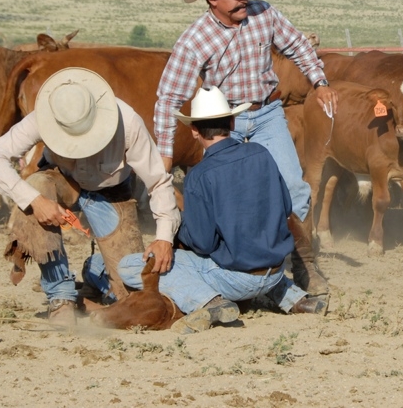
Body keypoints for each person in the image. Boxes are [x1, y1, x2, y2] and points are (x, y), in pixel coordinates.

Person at [154, 0, 336, 301]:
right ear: (212, 0)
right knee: (231, 199)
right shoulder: (195, 40)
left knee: (295, 190)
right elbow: (167, 99)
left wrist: (320, 81)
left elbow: (297, 44)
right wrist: (165, 152)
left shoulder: (263, 13)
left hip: (267, 112)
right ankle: (241, 267)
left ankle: (301, 262)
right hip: (227, 123)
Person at [0, 67, 179, 328]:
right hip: (61, 179)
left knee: (131, 289)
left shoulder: (128, 122)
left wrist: (164, 236)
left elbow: (158, 180)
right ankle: (60, 297)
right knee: (37, 185)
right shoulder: (45, 116)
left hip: (111, 192)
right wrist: (35, 200)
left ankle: (93, 281)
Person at [115, 87, 325, 334]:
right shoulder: (262, 153)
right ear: (233, 122)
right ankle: (292, 297)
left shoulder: (199, 176)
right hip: (277, 269)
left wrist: (181, 227)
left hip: (237, 280)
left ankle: (210, 301)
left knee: (129, 266)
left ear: (194, 131)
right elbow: (286, 208)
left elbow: (203, 243)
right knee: (250, 250)